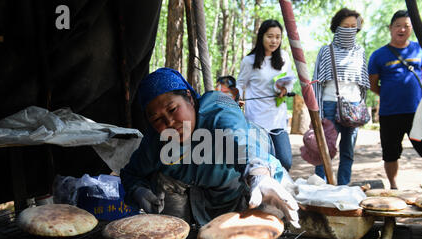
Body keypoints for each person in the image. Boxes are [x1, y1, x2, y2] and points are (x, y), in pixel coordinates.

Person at [120, 67, 299, 228]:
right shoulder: (156, 142)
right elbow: (131, 173)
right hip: (203, 197)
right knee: (161, 179)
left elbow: (240, 141)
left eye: (173, 109)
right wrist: (138, 190)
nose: (170, 122)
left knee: (277, 203)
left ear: (189, 98)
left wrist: (259, 175)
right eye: (157, 119)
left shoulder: (218, 107)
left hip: (246, 187)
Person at [368, 10, 422, 189]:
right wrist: (390, 95)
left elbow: (421, 76)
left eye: (407, 26)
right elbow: (373, 84)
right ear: (390, 28)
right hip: (389, 113)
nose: (402, 29)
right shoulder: (378, 55)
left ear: (412, 29)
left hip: (417, 112)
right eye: (398, 25)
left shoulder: (419, 49)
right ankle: (393, 186)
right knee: (390, 154)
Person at [312, 8, 370, 185]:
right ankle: (321, 187)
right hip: (329, 105)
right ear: (337, 27)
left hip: (353, 107)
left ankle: (343, 186)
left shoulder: (360, 51)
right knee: (324, 150)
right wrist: (318, 113)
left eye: (354, 26)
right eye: (346, 26)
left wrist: (362, 106)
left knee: (348, 151)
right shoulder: (326, 50)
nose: (350, 30)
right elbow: (317, 82)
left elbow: (364, 85)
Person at [236, 19, 296, 173]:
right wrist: (238, 99)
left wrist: (285, 88)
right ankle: (265, 195)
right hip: (256, 119)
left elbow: (290, 80)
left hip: (278, 117)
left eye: (278, 37)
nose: (274, 40)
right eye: (270, 36)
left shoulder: (284, 57)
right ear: (262, 36)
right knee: (262, 163)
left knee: (285, 161)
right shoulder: (249, 61)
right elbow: (240, 84)